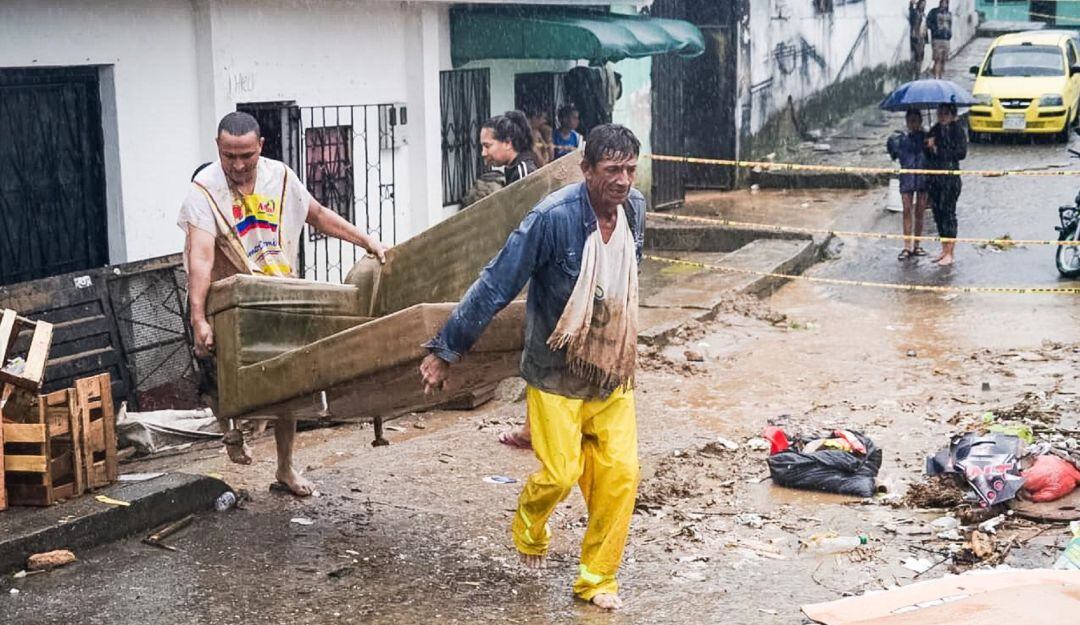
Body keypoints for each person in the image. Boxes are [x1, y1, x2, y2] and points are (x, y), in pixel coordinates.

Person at [420, 125, 646, 611]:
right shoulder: (551, 218)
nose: (623, 181)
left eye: (630, 169)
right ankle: (528, 523)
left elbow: (625, 283)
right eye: (612, 171)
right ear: (586, 171)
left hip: (611, 368)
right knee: (562, 475)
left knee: (621, 474)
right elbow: (496, 284)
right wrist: (446, 350)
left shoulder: (636, 210)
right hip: (555, 372)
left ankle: (596, 579)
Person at [178, 112, 388, 496]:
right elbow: (201, 257)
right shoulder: (203, 189)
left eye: (246, 156)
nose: (238, 166)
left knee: (286, 383)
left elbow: (319, 215)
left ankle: (286, 468)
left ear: (261, 147)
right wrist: (199, 318)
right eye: (229, 157)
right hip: (228, 298)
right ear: (217, 149)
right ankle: (232, 432)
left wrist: (367, 241)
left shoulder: (282, 178)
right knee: (223, 379)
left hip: (277, 292)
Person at [925, 103, 967, 267]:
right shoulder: (934, 130)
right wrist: (928, 146)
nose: (942, 116)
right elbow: (927, 155)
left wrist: (939, 150)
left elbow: (961, 153)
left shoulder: (957, 131)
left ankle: (950, 252)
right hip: (935, 178)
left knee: (949, 213)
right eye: (940, 113)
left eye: (945, 113)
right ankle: (944, 249)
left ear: (952, 115)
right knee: (938, 213)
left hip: (950, 179)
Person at [886, 110, 929, 260]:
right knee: (906, 210)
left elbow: (933, 155)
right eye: (911, 121)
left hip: (923, 177)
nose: (913, 124)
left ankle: (917, 245)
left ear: (920, 121)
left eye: (916, 121)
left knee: (920, 212)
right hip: (907, 177)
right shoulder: (900, 138)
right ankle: (906, 246)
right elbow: (894, 154)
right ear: (907, 122)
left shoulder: (926, 137)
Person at [481, 111, 538, 185]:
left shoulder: (524, 173)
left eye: (487, 146)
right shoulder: (514, 170)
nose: (483, 153)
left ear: (508, 143)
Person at [927, 0, 953, 80]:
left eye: (946, 3)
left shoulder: (949, 14)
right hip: (937, 38)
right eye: (943, 2)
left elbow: (950, 25)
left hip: (946, 38)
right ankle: (936, 77)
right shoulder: (934, 12)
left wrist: (949, 34)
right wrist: (934, 29)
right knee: (937, 58)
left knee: (944, 59)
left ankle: (940, 76)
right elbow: (928, 22)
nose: (944, 4)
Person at [909, 0, 928, 78]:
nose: (923, 6)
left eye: (924, 4)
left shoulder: (923, 15)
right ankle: (914, 73)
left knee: (920, 56)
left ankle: (918, 73)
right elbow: (911, 15)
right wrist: (911, 5)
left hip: (922, 38)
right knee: (916, 56)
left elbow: (925, 27)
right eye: (921, 4)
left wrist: (926, 38)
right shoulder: (915, 13)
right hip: (915, 37)